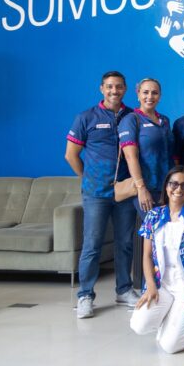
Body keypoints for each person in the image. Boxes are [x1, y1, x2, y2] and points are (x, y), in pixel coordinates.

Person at [65, 71, 136, 319]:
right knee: (92, 245)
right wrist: (88, 178)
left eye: (119, 87)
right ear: (101, 89)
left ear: (125, 89)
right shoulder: (86, 117)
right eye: (109, 86)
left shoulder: (132, 116)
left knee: (125, 242)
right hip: (96, 193)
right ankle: (85, 295)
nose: (114, 91)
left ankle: (124, 290)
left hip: (124, 191)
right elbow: (71, 155)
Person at [130, 166, 184, 353]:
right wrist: (150, 286)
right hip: (163, 284)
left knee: (170, 346)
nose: (178, 189)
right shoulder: (153, 216)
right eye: (173, 184)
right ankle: (170, 316)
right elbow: (146, 255)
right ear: (166, 187)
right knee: (138, 325)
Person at [118, 77, 175, 290]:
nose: (150, 96)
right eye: (145, 92)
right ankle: (149, 288)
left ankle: (166, 286)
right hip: (145, 189)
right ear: (138, 93)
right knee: (156, 236)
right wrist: (141, 189)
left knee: (167, 236)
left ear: (160, 95)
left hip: (166, 189)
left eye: (154, 93)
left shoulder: (164, 120)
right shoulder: (131, 120)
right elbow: (130, 156)